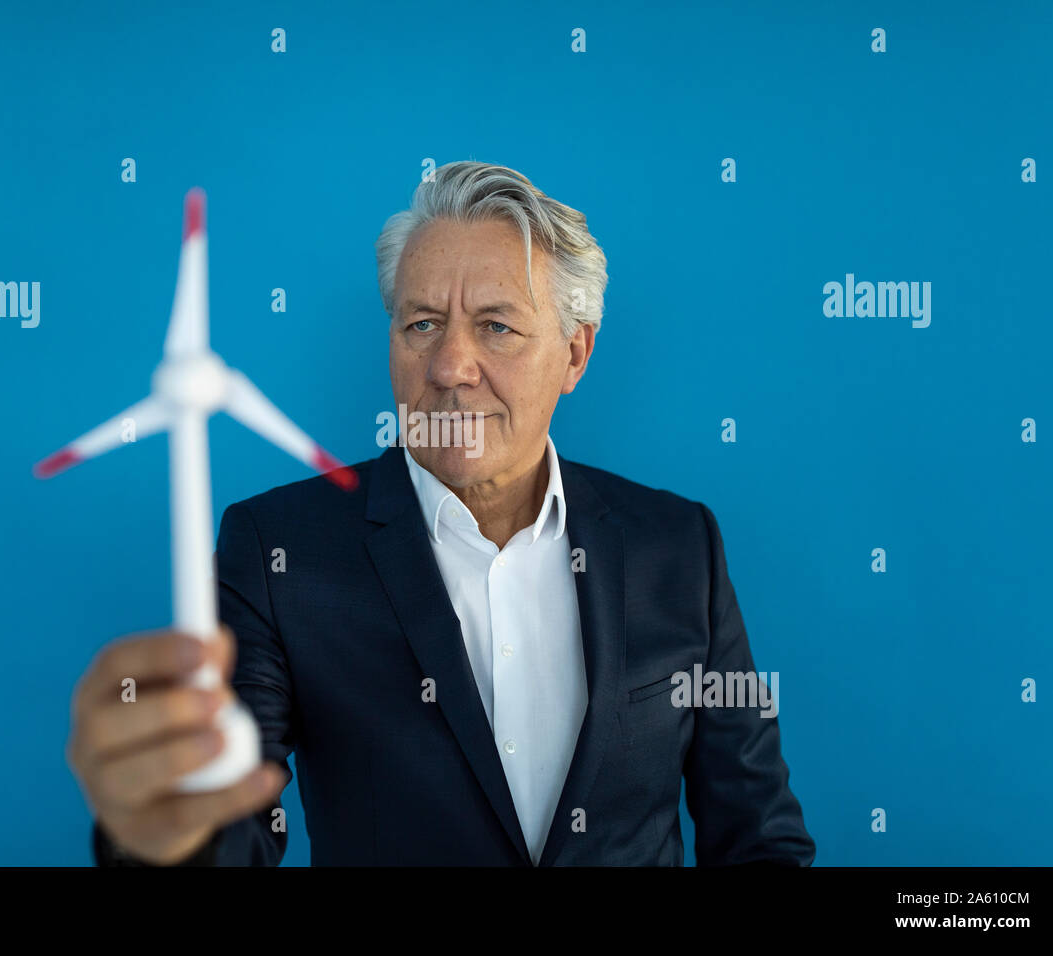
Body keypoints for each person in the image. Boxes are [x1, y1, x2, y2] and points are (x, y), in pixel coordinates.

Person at [67, 161, 815, 866]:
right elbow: (230, 821)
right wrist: (164, 830)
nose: (451, 366)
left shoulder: (679, 545)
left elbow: (757, 835)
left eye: (496, 326)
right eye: (422, 323)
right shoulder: (277, 551)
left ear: (575, 355)